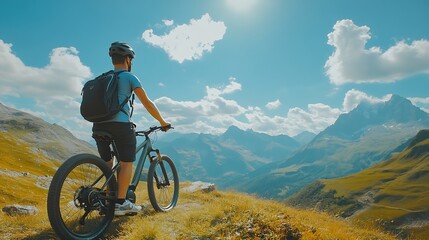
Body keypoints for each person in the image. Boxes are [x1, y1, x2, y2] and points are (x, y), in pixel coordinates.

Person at [93, 41, 170, 216]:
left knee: (107, 163)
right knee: (127, 162)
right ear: (128, 59)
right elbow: (148, 104)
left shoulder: (103, 78)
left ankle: (107, 199)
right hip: (120, 126)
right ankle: (121, 203)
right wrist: (163, 122)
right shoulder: (129, 77)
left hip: (98, 126)